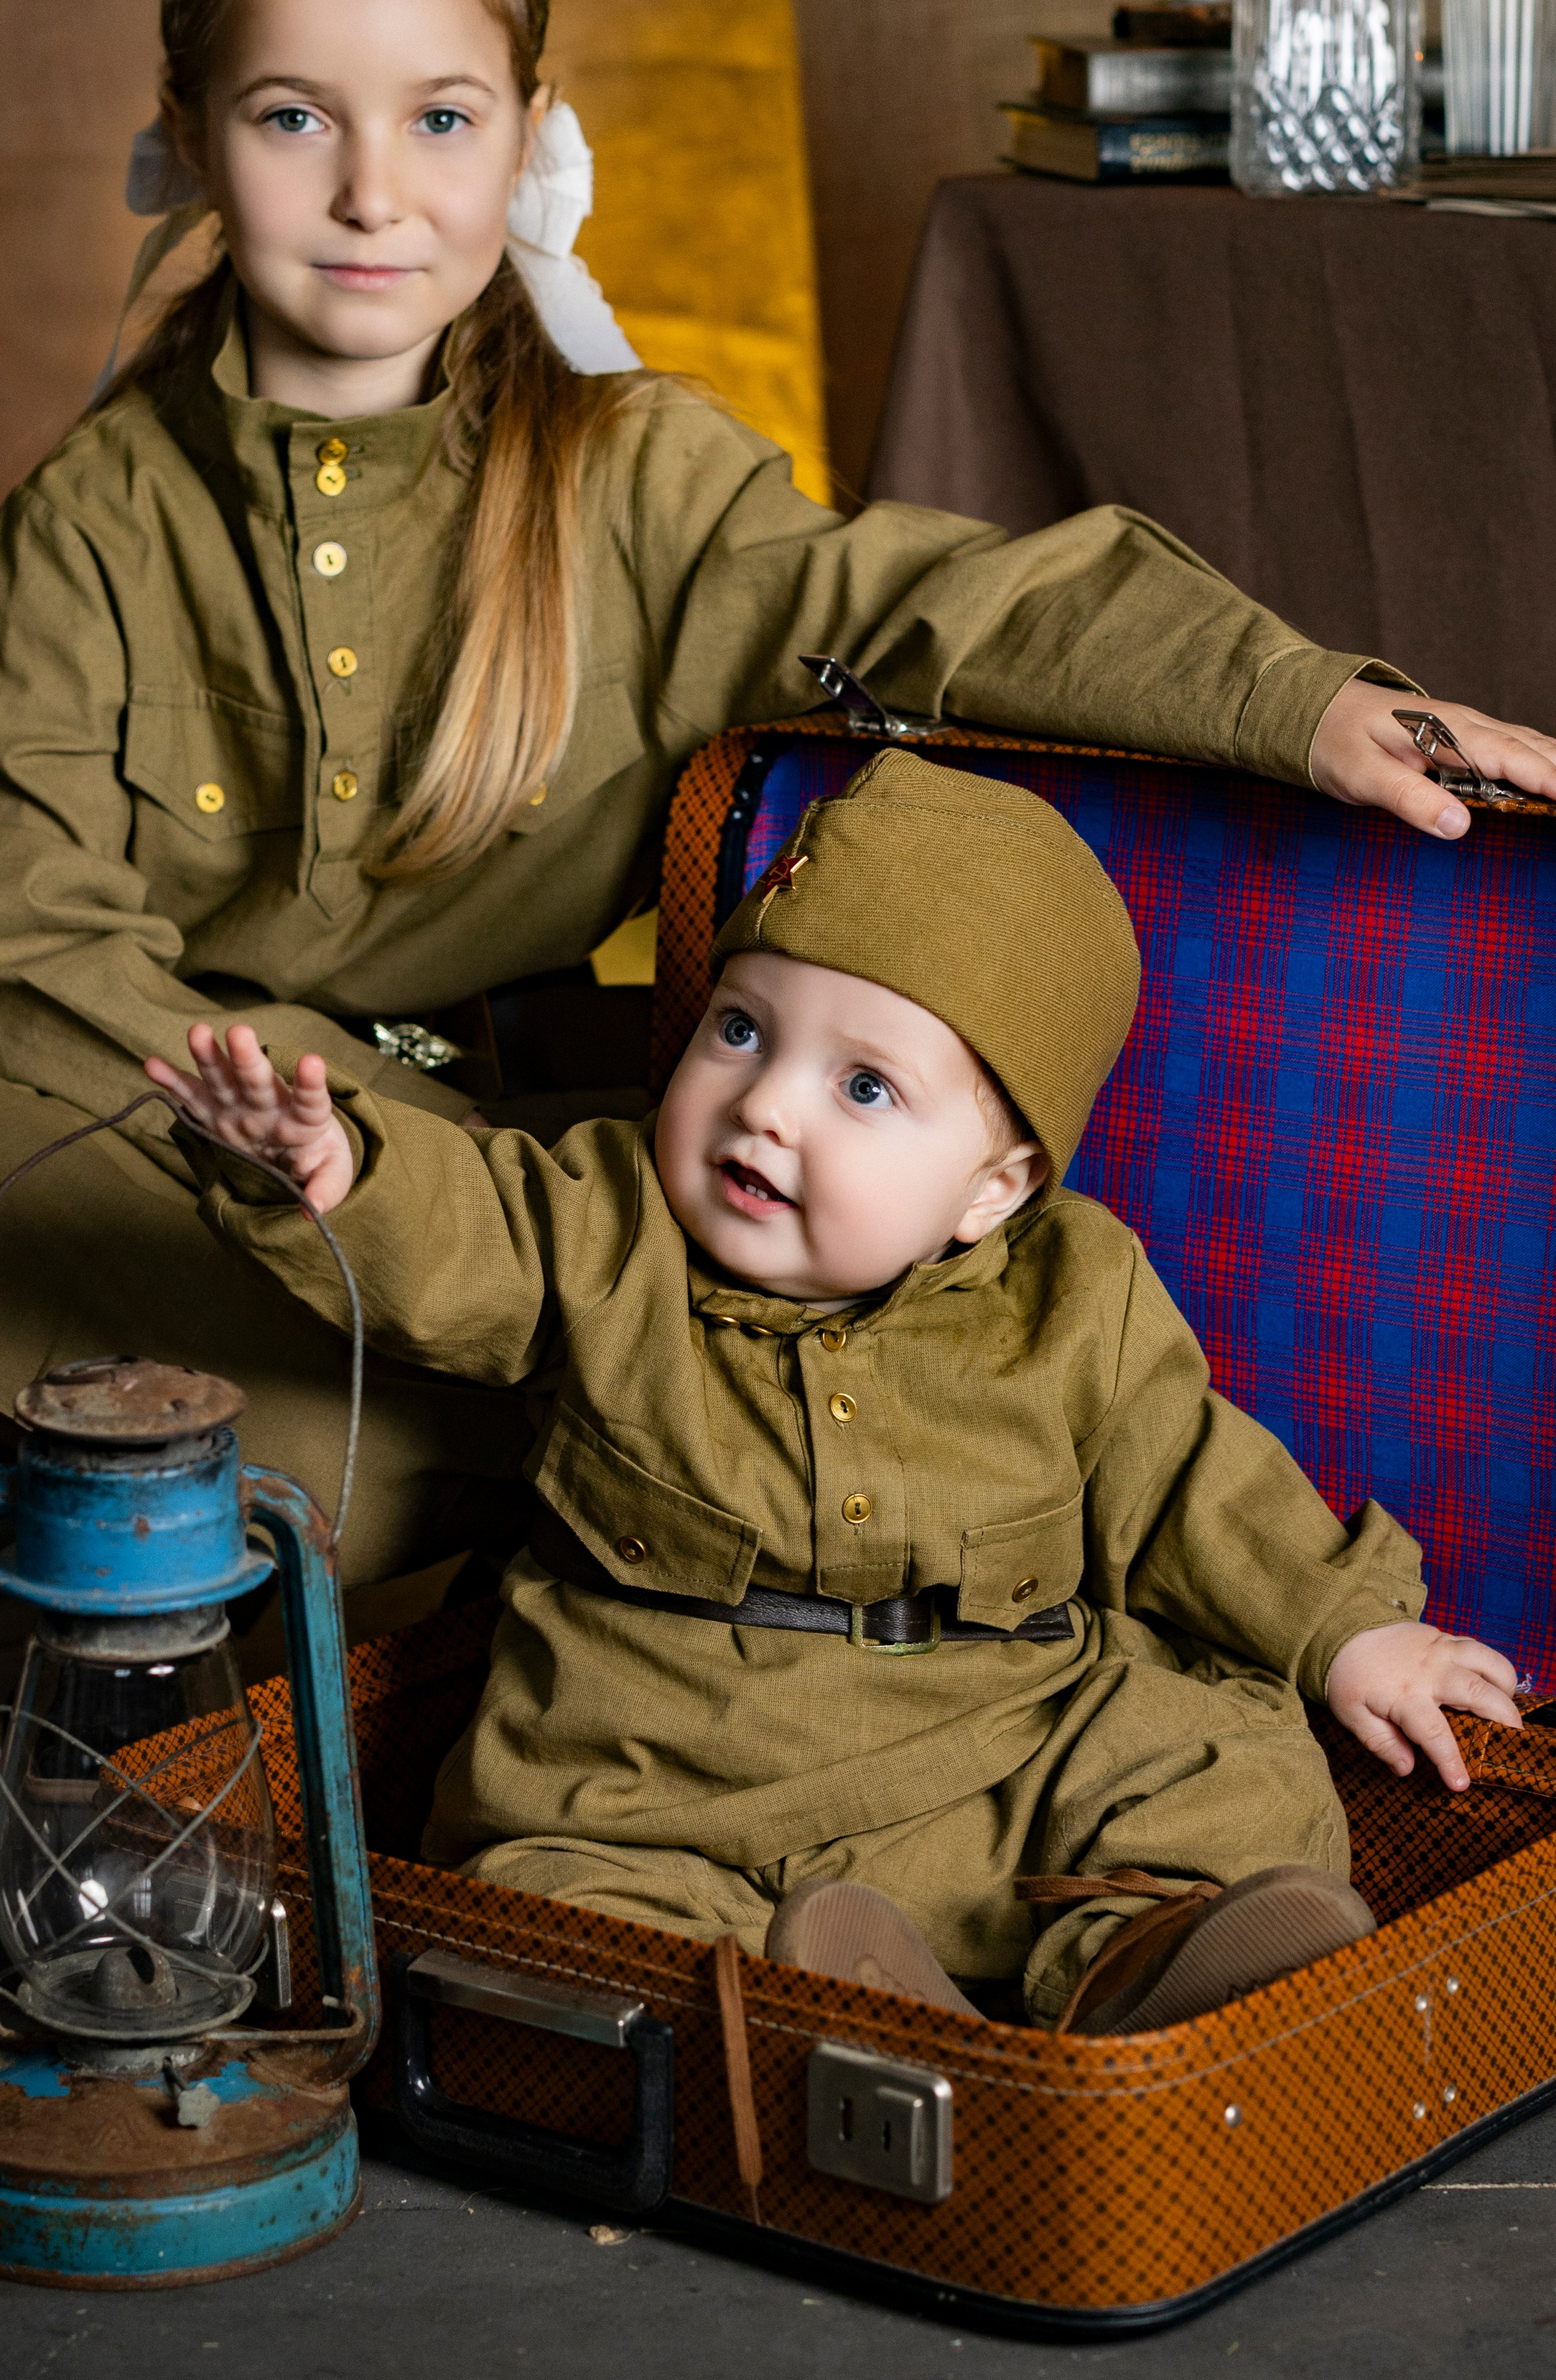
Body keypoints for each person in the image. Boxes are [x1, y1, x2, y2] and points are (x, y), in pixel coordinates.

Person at [0, 0, 1556, 1611]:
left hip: (535, 1195)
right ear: (188, 121)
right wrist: (263, 1124)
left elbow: (939, 600)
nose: (370, 197)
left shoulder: (626, 474)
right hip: (199, 1149)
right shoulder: (90, 523)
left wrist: (1296, 698)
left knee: (605, 1336)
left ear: (530, 129)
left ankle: (447, 1485)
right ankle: (410, 1500)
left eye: (438, 119)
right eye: (289, 116)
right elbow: (14, 939)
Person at [147, 751, 1521, 2027]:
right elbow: (465, 1233)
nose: (767, 1107)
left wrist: (1348, 1635)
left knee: (1226, 1743)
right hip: (661, 1777)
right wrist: (335, 1174)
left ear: (996, 1190)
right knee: (550, 1903)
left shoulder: (1074, 1295)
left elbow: (1190, 1480)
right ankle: (808, 1993)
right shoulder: (607, 1225)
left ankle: (1137, 1953)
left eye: (864, 1088)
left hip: (999, 1753)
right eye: (741, 1031)